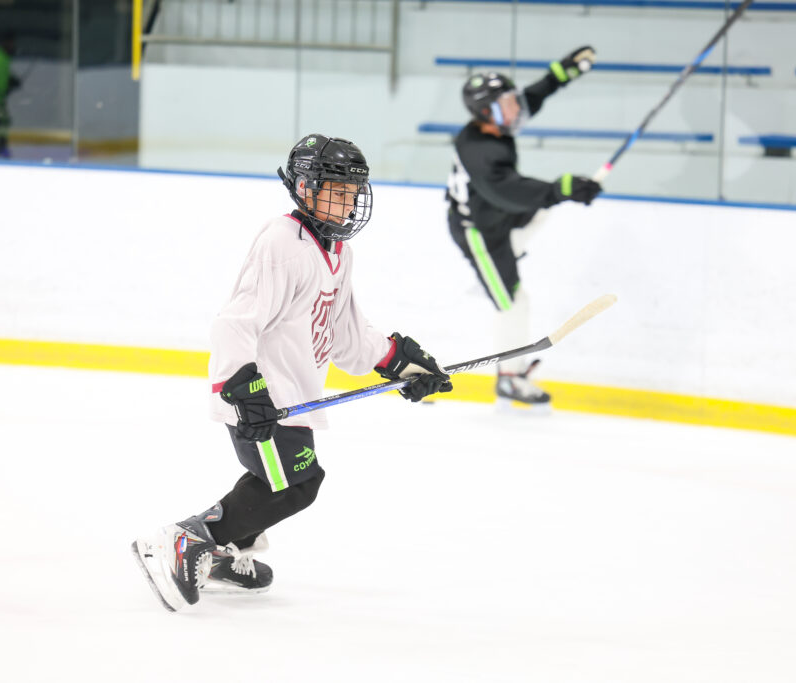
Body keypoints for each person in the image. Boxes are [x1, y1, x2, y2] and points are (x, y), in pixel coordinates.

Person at [132, 134, 453, 612]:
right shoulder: (283, 243)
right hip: (261, 396)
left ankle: (221, 552)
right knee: (295, 484)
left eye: (353, 193)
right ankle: (186, 540)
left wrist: (398, 361)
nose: (348, 203)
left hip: (293, 398)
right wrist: (244, 389)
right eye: (338, 191)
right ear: (305, 188)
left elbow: (344, 334)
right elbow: (233, 323)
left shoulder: (337, 251)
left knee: (284, 481)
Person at [446, 47, 602, 410]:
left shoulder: (498, 121)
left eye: (512, 100)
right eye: (507, 105)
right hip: (479, 233)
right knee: (514, 304)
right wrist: (560, 189)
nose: (516, 109)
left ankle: (499, 269)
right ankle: (509, 378)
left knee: (542, 210)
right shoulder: (480, 150)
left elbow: (532, 97)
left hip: (498, 217)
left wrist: (560, 75)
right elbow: (508, 191)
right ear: (486, 114)